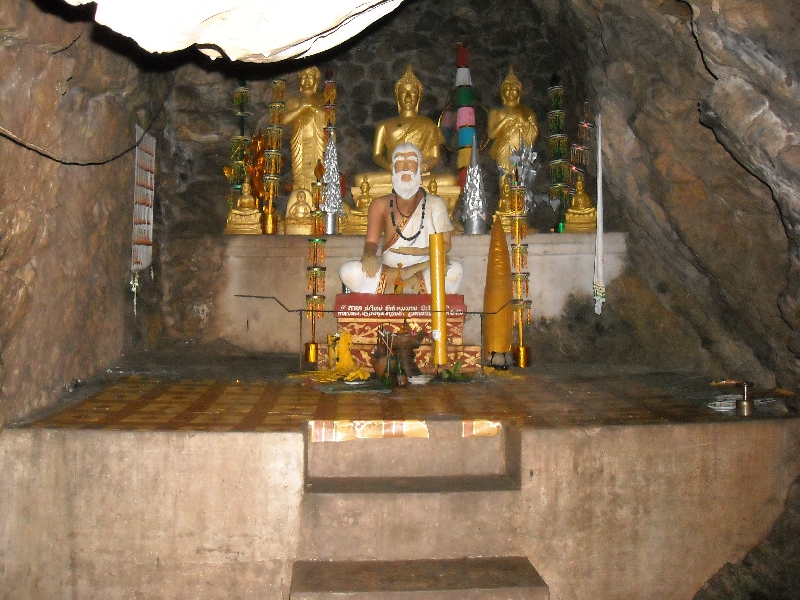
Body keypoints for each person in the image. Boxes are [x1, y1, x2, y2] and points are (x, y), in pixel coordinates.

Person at [339, 142, 463, 294]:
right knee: (348, 271)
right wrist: (369, 255)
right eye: (399, 162)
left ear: (421, 167)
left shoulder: (435, 203)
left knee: (455, 270)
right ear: (392, 168)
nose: (405, 168)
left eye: (411, 162)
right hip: (389, 270)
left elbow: (446, 245)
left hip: (424, 267)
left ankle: (397, 287)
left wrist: (415, 254)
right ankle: (408, 287)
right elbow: (371, 242)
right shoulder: (380, 204)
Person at [488, 67, 538, 179]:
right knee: (505, 179)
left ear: (519, 92)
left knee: (520, 179)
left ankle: (521, 195)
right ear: (502, 94)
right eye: (507, 89)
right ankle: (504, 196)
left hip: (521, 149)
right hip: (504, 149)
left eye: (514, 88)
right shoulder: (496, 112)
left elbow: (533, 134)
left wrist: (523, 120)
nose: (510, 91)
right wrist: (506, 119)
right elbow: (491, 134)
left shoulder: (527, 112)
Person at [283, 66, 326, 193]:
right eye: (303, 76)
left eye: (310, 76)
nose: (306, 80)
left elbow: (329, 119)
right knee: (299, 176)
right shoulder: (293, 101)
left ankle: (317, 203)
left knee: (318, 174)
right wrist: (301, 108)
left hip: (317, 144)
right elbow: (284, 120)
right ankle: (301, 200)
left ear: (317, 80)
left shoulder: (323, 99)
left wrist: (312, 107)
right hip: (299, 144)